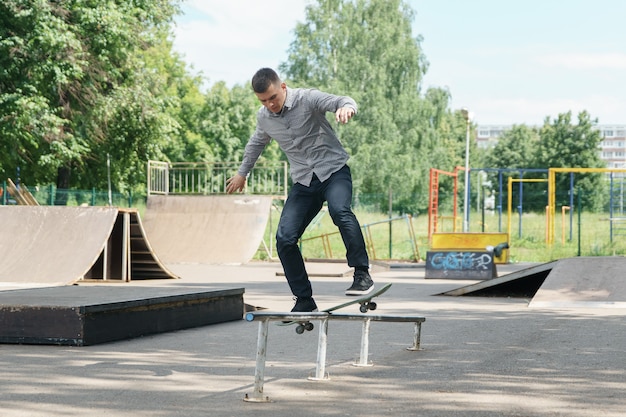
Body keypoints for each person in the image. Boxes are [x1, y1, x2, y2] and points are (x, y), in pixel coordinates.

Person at [226, 68, 373, 313]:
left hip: (334, 172)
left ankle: (362, 274)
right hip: (304, 182)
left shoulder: (307, 99)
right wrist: (243, 173)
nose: (270, 104)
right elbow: (255, 144)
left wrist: (347, 108)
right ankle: (304, 299)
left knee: (340, 211)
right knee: (284, 239)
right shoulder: (264, 118)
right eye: (263, 100)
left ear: (282, 87)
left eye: (273, 97)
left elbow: (341, 100)